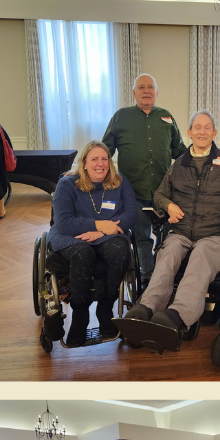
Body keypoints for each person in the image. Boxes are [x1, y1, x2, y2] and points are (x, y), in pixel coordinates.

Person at [126, 111, 220, 337]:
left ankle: (177, 315)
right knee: (167, 258)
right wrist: (169, 206)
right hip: (181, 232)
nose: (202, 132)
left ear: (214, 133)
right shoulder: (179, 164)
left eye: (207, 128)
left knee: (199, 260)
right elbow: (159, 194)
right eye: (197, 127)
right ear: (189, 132)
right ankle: (146, 308)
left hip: (214, 234)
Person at [48, 141, 138, 347]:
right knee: (82, 253)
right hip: (70, 236)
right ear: (84, 164)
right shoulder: (67, 184)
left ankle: (106, 309)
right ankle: (80, 316)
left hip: (108, 234)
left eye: (104, 159)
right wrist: (99, 224)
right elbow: (64, 222)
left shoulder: (120, 182)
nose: (100, 164)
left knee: (121, 251)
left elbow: (131, 215)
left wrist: (101, 231)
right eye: (94, 159)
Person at [102, 74, 184, 282]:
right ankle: (146, 280)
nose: (146, 91)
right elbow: (105, 151)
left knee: (168, 238)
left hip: (165, 193)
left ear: (156, 92)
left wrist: (205, 153)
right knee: (141, 238)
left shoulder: (166, 117)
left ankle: (165, 276)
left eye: (150, 87)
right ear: (134, 93)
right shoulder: (121, 117)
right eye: (141, 87)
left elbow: (179, 151)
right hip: (133, 192)